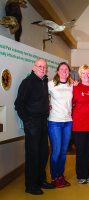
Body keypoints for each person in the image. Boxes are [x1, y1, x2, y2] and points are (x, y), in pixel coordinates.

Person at [14, 59, 55, 195]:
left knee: (43, 153)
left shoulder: (44, 82)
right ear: (34, 67)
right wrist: (27, 121)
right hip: (32, 124)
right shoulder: (28, 82)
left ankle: (41, 181)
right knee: (33, 155)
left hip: (43, 122)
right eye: (40, 66)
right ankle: (31, 186)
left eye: (44, 67)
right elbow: (18, 104)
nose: (42, 69)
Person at [72, 64, 89, 184]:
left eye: (88, 73)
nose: (86, 75)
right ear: (80, 75)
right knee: (81, 152)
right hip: (79, 126)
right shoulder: (76, 88)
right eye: (83, 73)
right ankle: (81, 175)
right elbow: (69, 104)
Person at [48, 62, 73, 188]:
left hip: (68, 122)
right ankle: (54, 177)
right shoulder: (50, 84)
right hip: (54, 122)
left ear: (69, 72)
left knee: (63, 152)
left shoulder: (71, 85)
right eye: (62, 69)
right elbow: (42, 97)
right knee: (56, 151)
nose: (64, 71)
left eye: (66, 69)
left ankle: (60, 176)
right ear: (57, 71)